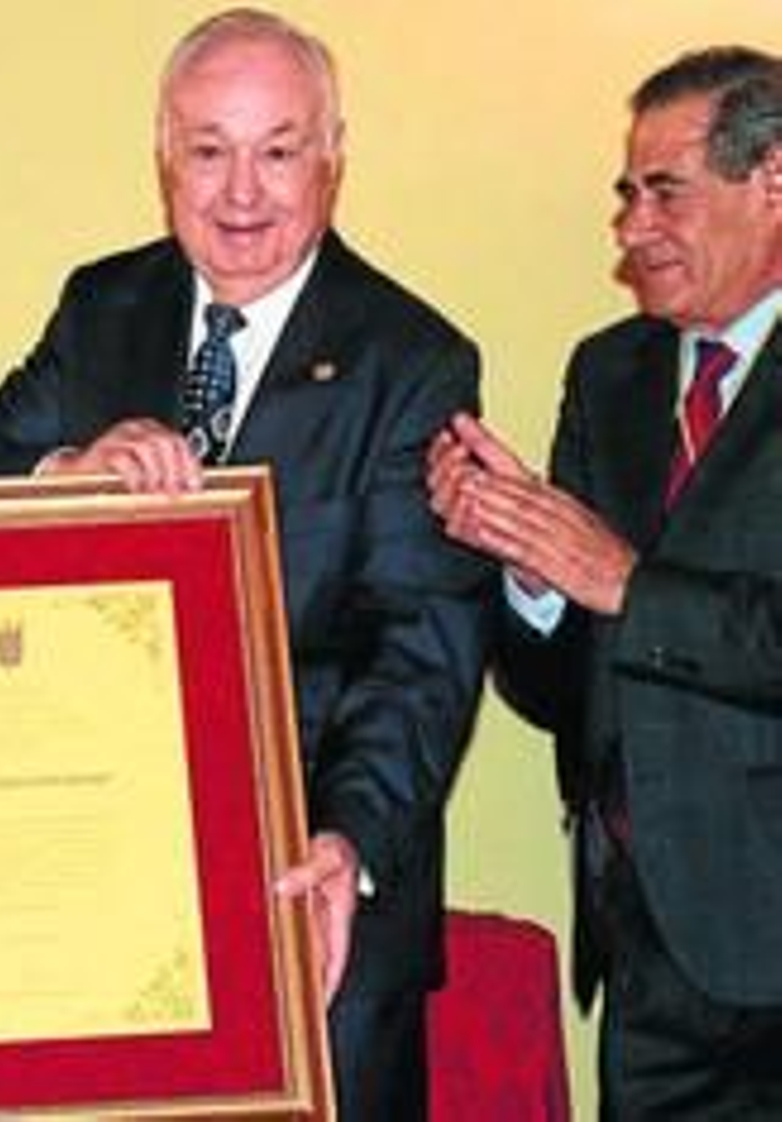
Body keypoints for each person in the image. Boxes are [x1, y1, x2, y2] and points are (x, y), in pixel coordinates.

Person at [0, 9, 488, 1117]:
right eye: (207, 151)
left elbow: (422, 651)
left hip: (311, 898)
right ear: (163, 157)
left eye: (277, 151)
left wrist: (347, 837)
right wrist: (63, 467)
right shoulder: (102, 306)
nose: (240, 195)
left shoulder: (410, 357)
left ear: (330, 159)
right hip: (96, 897)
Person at [429, 45, 782, 1119]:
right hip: (646, 952)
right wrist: (525, 562)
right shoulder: (609, 372)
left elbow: (643, 599)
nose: (630, 229)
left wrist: (624, 581)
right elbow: (557, 695)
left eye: (662, 192)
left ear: (772, 182)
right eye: (625, 194)